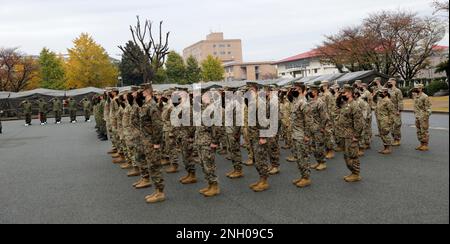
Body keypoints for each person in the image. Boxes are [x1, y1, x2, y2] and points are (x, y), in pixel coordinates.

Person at [139, 83, 165, 204]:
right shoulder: (146, 104)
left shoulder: (152, 106)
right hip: (147, 140)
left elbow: (158, 126)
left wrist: (156, 142)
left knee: (155, 166)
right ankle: (156, 190)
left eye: (143, 90)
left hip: (151, 141)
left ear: (148, 91)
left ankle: (160, 192)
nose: (141, 92)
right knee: (151, 166)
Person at [336, 85, 364, 182]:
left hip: (351, 135)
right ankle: (352, 172)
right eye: (342, 93)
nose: (342, 94)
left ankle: (356, 174)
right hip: (344, 134)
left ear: (350, 93)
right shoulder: (345, 104)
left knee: (352, 155)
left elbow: (359, 122)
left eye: (344, 93)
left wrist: (356, 136)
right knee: (347, 155)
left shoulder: (354, 105)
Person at [289, 82, 314, 188]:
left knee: (303, 157)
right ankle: (303, 176)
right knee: (299, 157)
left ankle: (306, 178)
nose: (296, 90)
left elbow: (309, 121)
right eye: (295, 89)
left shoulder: (304, 103)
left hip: (302, 135)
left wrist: (307, 135)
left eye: (298, 89)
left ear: (303, 90)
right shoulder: (296, 102)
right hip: (296, 134)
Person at [308, 84, 329, 171]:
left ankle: (323, 162)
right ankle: (318, 161)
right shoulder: (311, 102)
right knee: (313, 146)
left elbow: (324, 117)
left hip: (318, 128)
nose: (309, 92)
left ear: (315, 92)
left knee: (319, 146)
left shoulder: (320, 102)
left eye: (311, 91)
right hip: (312, 128)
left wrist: (322, 128)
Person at [411, 84, 432, 151]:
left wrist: (426, 116)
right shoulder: (415, 96)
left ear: (420, 89)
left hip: (423, 116)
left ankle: (425, 145)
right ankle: (421, 144)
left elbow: (428, 107)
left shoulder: (425, 96)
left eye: (417, 88)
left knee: (424, 131)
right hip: (417, 116)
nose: (415, 89)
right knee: (419, 130)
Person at [376, 88, 395, 155]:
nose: (380, 93)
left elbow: (392, 112)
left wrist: (390, 121)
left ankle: (388, 148)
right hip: (380, 119)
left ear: (386, 93)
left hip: (385, 120)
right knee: (382, 134)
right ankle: (385, 147)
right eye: (380, 92)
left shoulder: (388, 101)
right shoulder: (380, 100)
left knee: (385, 134)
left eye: (381, 92)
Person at [387, 78, 404, 146]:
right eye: (388, 82)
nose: (389, 83)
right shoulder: (388, 90)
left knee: (397, 125)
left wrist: (399, 110)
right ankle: (394, 138)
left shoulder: (397, 91)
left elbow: (400, 101)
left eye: (390, 82)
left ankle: (397, 140)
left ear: (394, 82)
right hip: (389, 111)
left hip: (396, 111)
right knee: (391, 126)